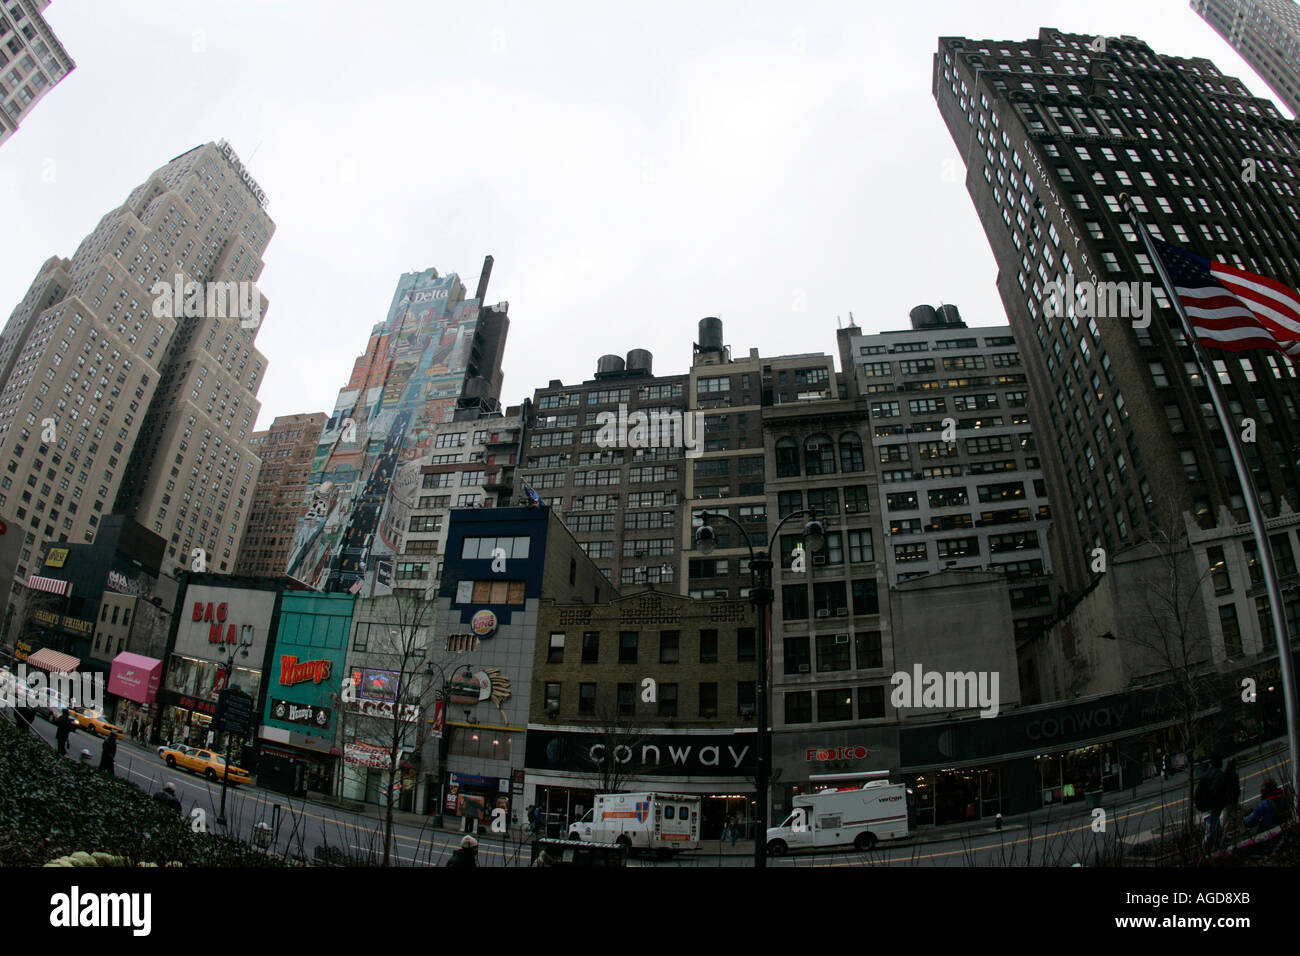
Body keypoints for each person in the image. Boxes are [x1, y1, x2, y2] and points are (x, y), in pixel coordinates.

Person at [1195, 756, 1227, 852]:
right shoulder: (1218, 775)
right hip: (1212, 806)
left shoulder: (1207, 774)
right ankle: (1207, 850)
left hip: (1204, 806)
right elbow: (1218, 791)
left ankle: (1217, 847)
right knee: (1211, 830)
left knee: (1214, 828)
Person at [1220, 758, 1241, 843]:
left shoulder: (1224, 776)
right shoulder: (1234, 776)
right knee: (1238, 815)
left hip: (1226, 801)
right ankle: (1242, 831)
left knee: (1226, 819)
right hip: (1232, 800)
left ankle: (1222, 835)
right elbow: (1236, 789)